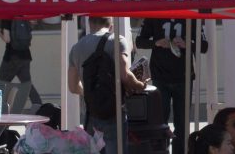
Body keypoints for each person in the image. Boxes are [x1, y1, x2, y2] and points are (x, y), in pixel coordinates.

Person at [68, 16, 149, 154]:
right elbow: (125, 75)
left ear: (89, 23)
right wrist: (140, 85)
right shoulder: (117, 40)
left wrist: (92, 93)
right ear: (111, 25)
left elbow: (73, 87)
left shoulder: (76, 48)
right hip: (114, 113)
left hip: (91, 113)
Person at [135, 18, 210, 154]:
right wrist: (156, 43)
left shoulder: (190, 16)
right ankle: (161, 151)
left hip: (184, 76)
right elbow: (139, 41)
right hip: (160, 76)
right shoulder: (154, 15)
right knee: (159, 122)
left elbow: (204, 46)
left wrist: (187, 44)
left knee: (182, 124)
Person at [0, 19, 43, 108]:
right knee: (27, 84)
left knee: (2, 83)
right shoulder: (22, 16)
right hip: (25, 56)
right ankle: (39, 105)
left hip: (11, 56)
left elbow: (7, 39)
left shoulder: (7, 18)